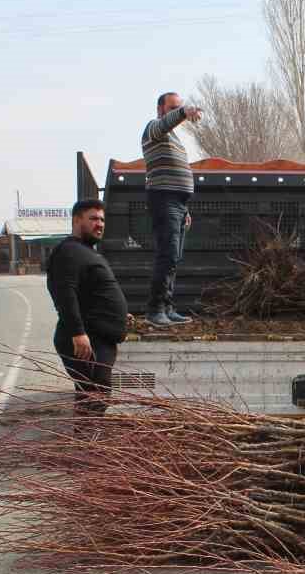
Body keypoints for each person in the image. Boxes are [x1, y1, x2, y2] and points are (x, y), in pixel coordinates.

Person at [46, 199, 128, 417]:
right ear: (76, 220)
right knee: (94, 396)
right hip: (86, 340)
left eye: (102, 219)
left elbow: (91, 292)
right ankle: (86, 445)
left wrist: (117, 313)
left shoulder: (85, 251)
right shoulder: (69, 251)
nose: (99, 224)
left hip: (98, 337)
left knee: (93, 396)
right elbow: (65, 293)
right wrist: (78, 333)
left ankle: (88, 444)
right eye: (93, 218)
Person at [141, 91, 203, 328]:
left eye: (179, 107)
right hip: (163, 198)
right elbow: (165, 124)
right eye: (173, 108)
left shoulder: (173, 139)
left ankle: (167, 308)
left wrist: (184, 208)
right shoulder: (153, 128)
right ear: (160, 109)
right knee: (166, 255)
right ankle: (155, 310)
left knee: (173, 257)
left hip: (177, 203)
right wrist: (184, 112)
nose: (178, 112)